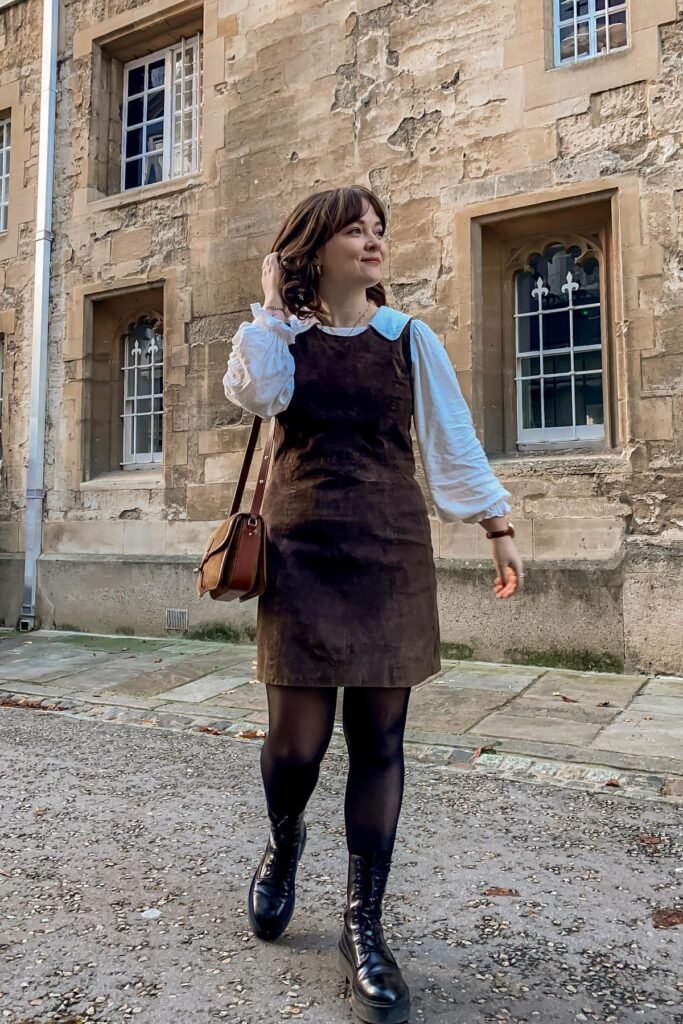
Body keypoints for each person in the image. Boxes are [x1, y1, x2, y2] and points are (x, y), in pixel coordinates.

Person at [223, 186, 523, 1024]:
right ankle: (283, 848)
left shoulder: (407, 339)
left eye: (377, 229)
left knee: (379, 742)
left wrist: (496, 524)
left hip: (390, 552)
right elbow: (259, 396)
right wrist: (273, 303)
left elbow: (452, 436)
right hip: (301, 553)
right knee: (296, 747)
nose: (371, 241)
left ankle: (364, 921)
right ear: (312, 248)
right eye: (353, 230)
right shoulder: (279, 339)